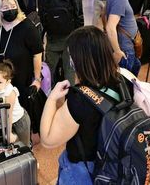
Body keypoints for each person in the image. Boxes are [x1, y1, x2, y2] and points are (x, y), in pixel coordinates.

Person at [40, 26, 122, 184]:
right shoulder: (123, 82)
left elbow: (47, 139)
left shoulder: (80, 99)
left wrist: (52, 98)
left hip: (84, 169)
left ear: (78, 61)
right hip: (111, 164)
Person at [0, 0, 43, 113]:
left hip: (20, 83)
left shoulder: (27, 27)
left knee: (18, 116)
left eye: (13, 6)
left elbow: (37, 53)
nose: (10, 9)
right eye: (5, 7)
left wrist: (37, 79)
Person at [39, 0, 84, 85]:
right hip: (69, 35)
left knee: (48, 69)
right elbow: (78, 13)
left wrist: (43, 32)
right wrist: (79, 34)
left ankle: (46, 96)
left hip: (52, 34)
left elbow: (41, 10)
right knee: (69, 69)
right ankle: (68, 99)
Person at [0, 60, 31, 146]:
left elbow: (9, 114)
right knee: (9, 145)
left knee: (23, 145)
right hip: (5, 120)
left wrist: (9, 133)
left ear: (8, 82)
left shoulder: (9, 93)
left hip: (19, 121)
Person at [105, 0, 141, 76]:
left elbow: (104, 13)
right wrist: (117, 51)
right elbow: (110, 27)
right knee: (126, 82)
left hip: (128, 46)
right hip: (124, 50)